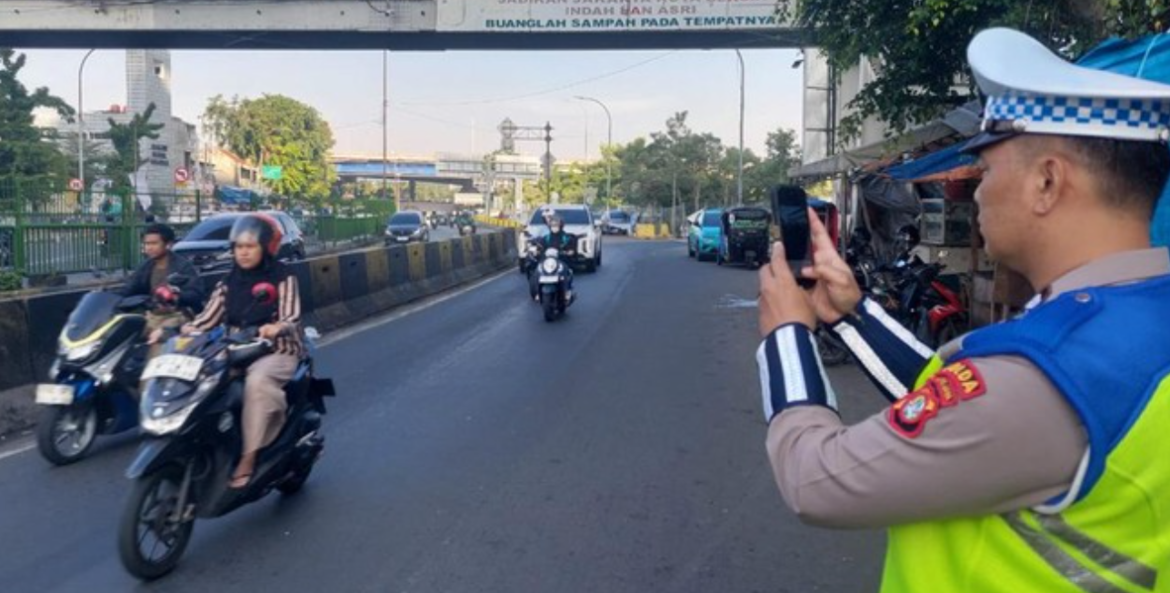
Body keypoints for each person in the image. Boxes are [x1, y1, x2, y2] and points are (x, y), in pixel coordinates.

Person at [755, 28, 1170, 592]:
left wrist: (785, 334)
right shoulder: (1132, 318)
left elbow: (815, 480)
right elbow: (958, 405)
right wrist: (852, 316)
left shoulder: (1051, 371)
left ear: (1047, 181)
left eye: (987, 171)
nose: (975, 192)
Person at [183, 213, 305, 489]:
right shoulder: (229, 280)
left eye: (250, 246)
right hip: (235, 350)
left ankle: (249, 457)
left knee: (257, 383)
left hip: (276, 350)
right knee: (199, 382)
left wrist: (277, 327)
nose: (244, 252)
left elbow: (291, 316)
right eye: (239, 247)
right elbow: (208, 317)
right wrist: (185, 329)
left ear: (265, 248)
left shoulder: (282, 276)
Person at [125, 223, 204, 359]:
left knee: (158, 339)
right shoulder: (146, 266)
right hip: (152, 316)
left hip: (177, 315)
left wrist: (176, 296)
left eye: (154, 243)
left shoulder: (183, 266)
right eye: (146, 243)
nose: (149, 247)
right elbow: (130, 288)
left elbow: (196, 294)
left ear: (168, 244)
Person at [528, 214, 578, 302]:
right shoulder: (546, 238)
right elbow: (540, 246)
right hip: (547, 261)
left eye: (556, 225)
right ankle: (537, 292)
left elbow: (572, 248)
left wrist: (569, 252)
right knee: (537, 271)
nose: (554, 227)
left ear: (560, 226)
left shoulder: (566, 238)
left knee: (566, 271)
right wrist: (536, 251)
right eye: (552, 225)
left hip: (561, 260)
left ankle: (567, 291)